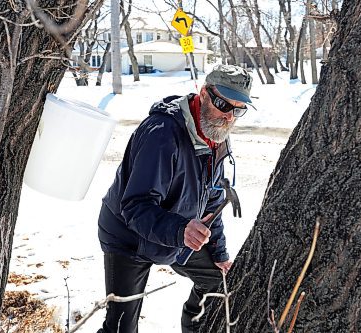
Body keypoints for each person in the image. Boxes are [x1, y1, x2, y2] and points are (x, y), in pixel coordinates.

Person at [97, 64, 254, 333]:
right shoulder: (161, 134)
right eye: (223, 104)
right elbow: (136, 207)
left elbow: (212, 203)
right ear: (203, 94)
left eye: (238, 109)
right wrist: (181, 230)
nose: (229, 117)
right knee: (121, 328)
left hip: (177, 232)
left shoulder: (216, 137)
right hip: (128, 237)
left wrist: (218, 252)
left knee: (218, 283)